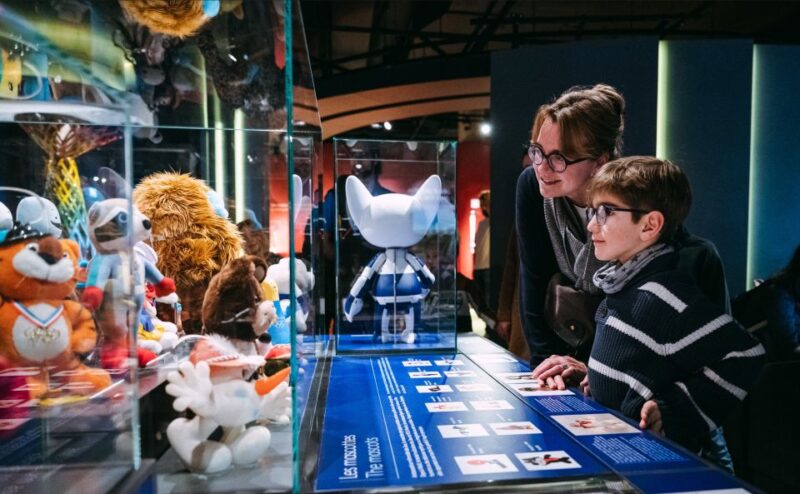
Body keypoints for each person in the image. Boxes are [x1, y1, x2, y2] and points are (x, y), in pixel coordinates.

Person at [540, 156, 765, 468]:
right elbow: (640, 363)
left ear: (649, 225)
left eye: (605, 212)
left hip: (656, 467)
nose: (592, 224)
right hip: (624, 456)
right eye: (592, 212)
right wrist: (592, 376)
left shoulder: (661, 295)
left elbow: (746, 353)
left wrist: (676, 409)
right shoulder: (623, 285)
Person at [516, 84, 730, 368]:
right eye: (538, 152)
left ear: (599, 162)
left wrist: (598, 371)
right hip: (572, 349)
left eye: (558, 158)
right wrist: (546, 360)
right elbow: (533, 277)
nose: (541, 168)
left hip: (623, 363)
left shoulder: (636, 201)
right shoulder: (533, 186)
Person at [473, 190, 491, 310]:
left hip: (488, 268)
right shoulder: (482, 224)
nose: (484, 207)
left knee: (489, 301)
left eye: (486, 203)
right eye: (483, 204)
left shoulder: (495, 223)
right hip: (479, 267)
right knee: (481, 303)